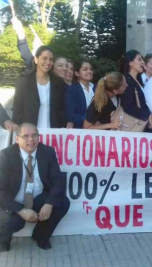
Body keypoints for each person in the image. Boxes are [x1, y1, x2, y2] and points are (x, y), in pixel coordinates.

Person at [0, 123, 70, 251]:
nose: (31, 139)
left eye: (34, 135)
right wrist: (21, 211)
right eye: (25, 136)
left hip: (37, 197)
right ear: (17, 139)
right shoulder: (5, 156)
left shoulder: (47, 152)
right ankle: (3, 241)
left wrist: (49, 203)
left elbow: (58, 180)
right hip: (14, 202)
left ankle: (40, 236)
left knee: (62, 202)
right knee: (13, 222)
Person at [13, 46, 66, 129]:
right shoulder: (24, 80)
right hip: (29, 133)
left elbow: (61, 109)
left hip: (53, 133)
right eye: (44, 58)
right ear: (36, 59)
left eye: (51, 59)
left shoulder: (58, 82)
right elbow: (17, 108)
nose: (48, 62)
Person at [11, 17, 69, 81]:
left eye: (67, 66)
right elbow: (25, 51)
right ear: (52, 66)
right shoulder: (39, 77)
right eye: (60, 65)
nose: (65, 68)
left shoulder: (68, 85)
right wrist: (20, 31)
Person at [120, 50, 151, 130]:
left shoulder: (138, 80)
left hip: (142, 123)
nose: (143, 62)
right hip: (135, 125)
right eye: (139, 59)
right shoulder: (127, 81)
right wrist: (147, 115)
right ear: (130, 63)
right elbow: (128, 106)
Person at [65, 61, 95, 129]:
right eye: (85, 69)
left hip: (98, 129)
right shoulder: (72, 90)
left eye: (90, 69)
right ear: (77, 73)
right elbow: (71, 114)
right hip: (80, 130)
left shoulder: (96, 88)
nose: (89, 71)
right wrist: (88, 122)